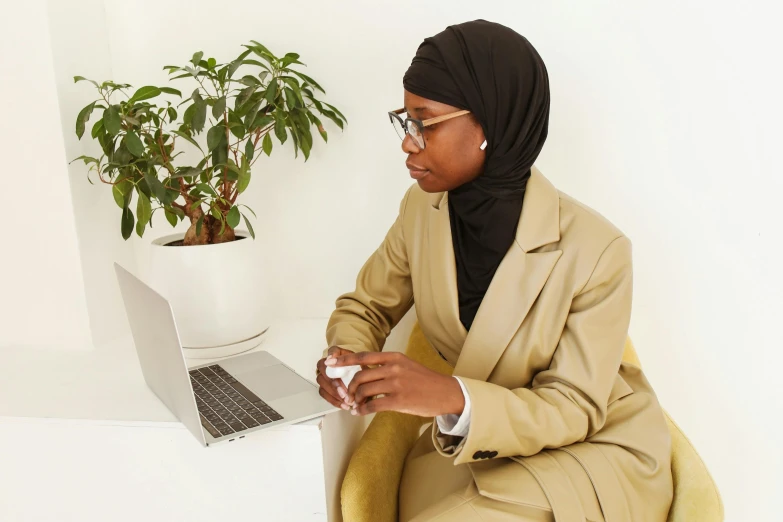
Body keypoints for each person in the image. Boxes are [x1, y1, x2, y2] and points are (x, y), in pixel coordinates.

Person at [316, 19, 673, 522]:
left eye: (426, 122)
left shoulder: (599, 250)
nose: (407, 143)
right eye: (405, 120)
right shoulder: (422, 211)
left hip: (587, 454)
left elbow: (573, 407)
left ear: (490, 123)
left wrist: (450, 395)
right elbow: (367, 306)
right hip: (470, 446)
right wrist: (344, 357)